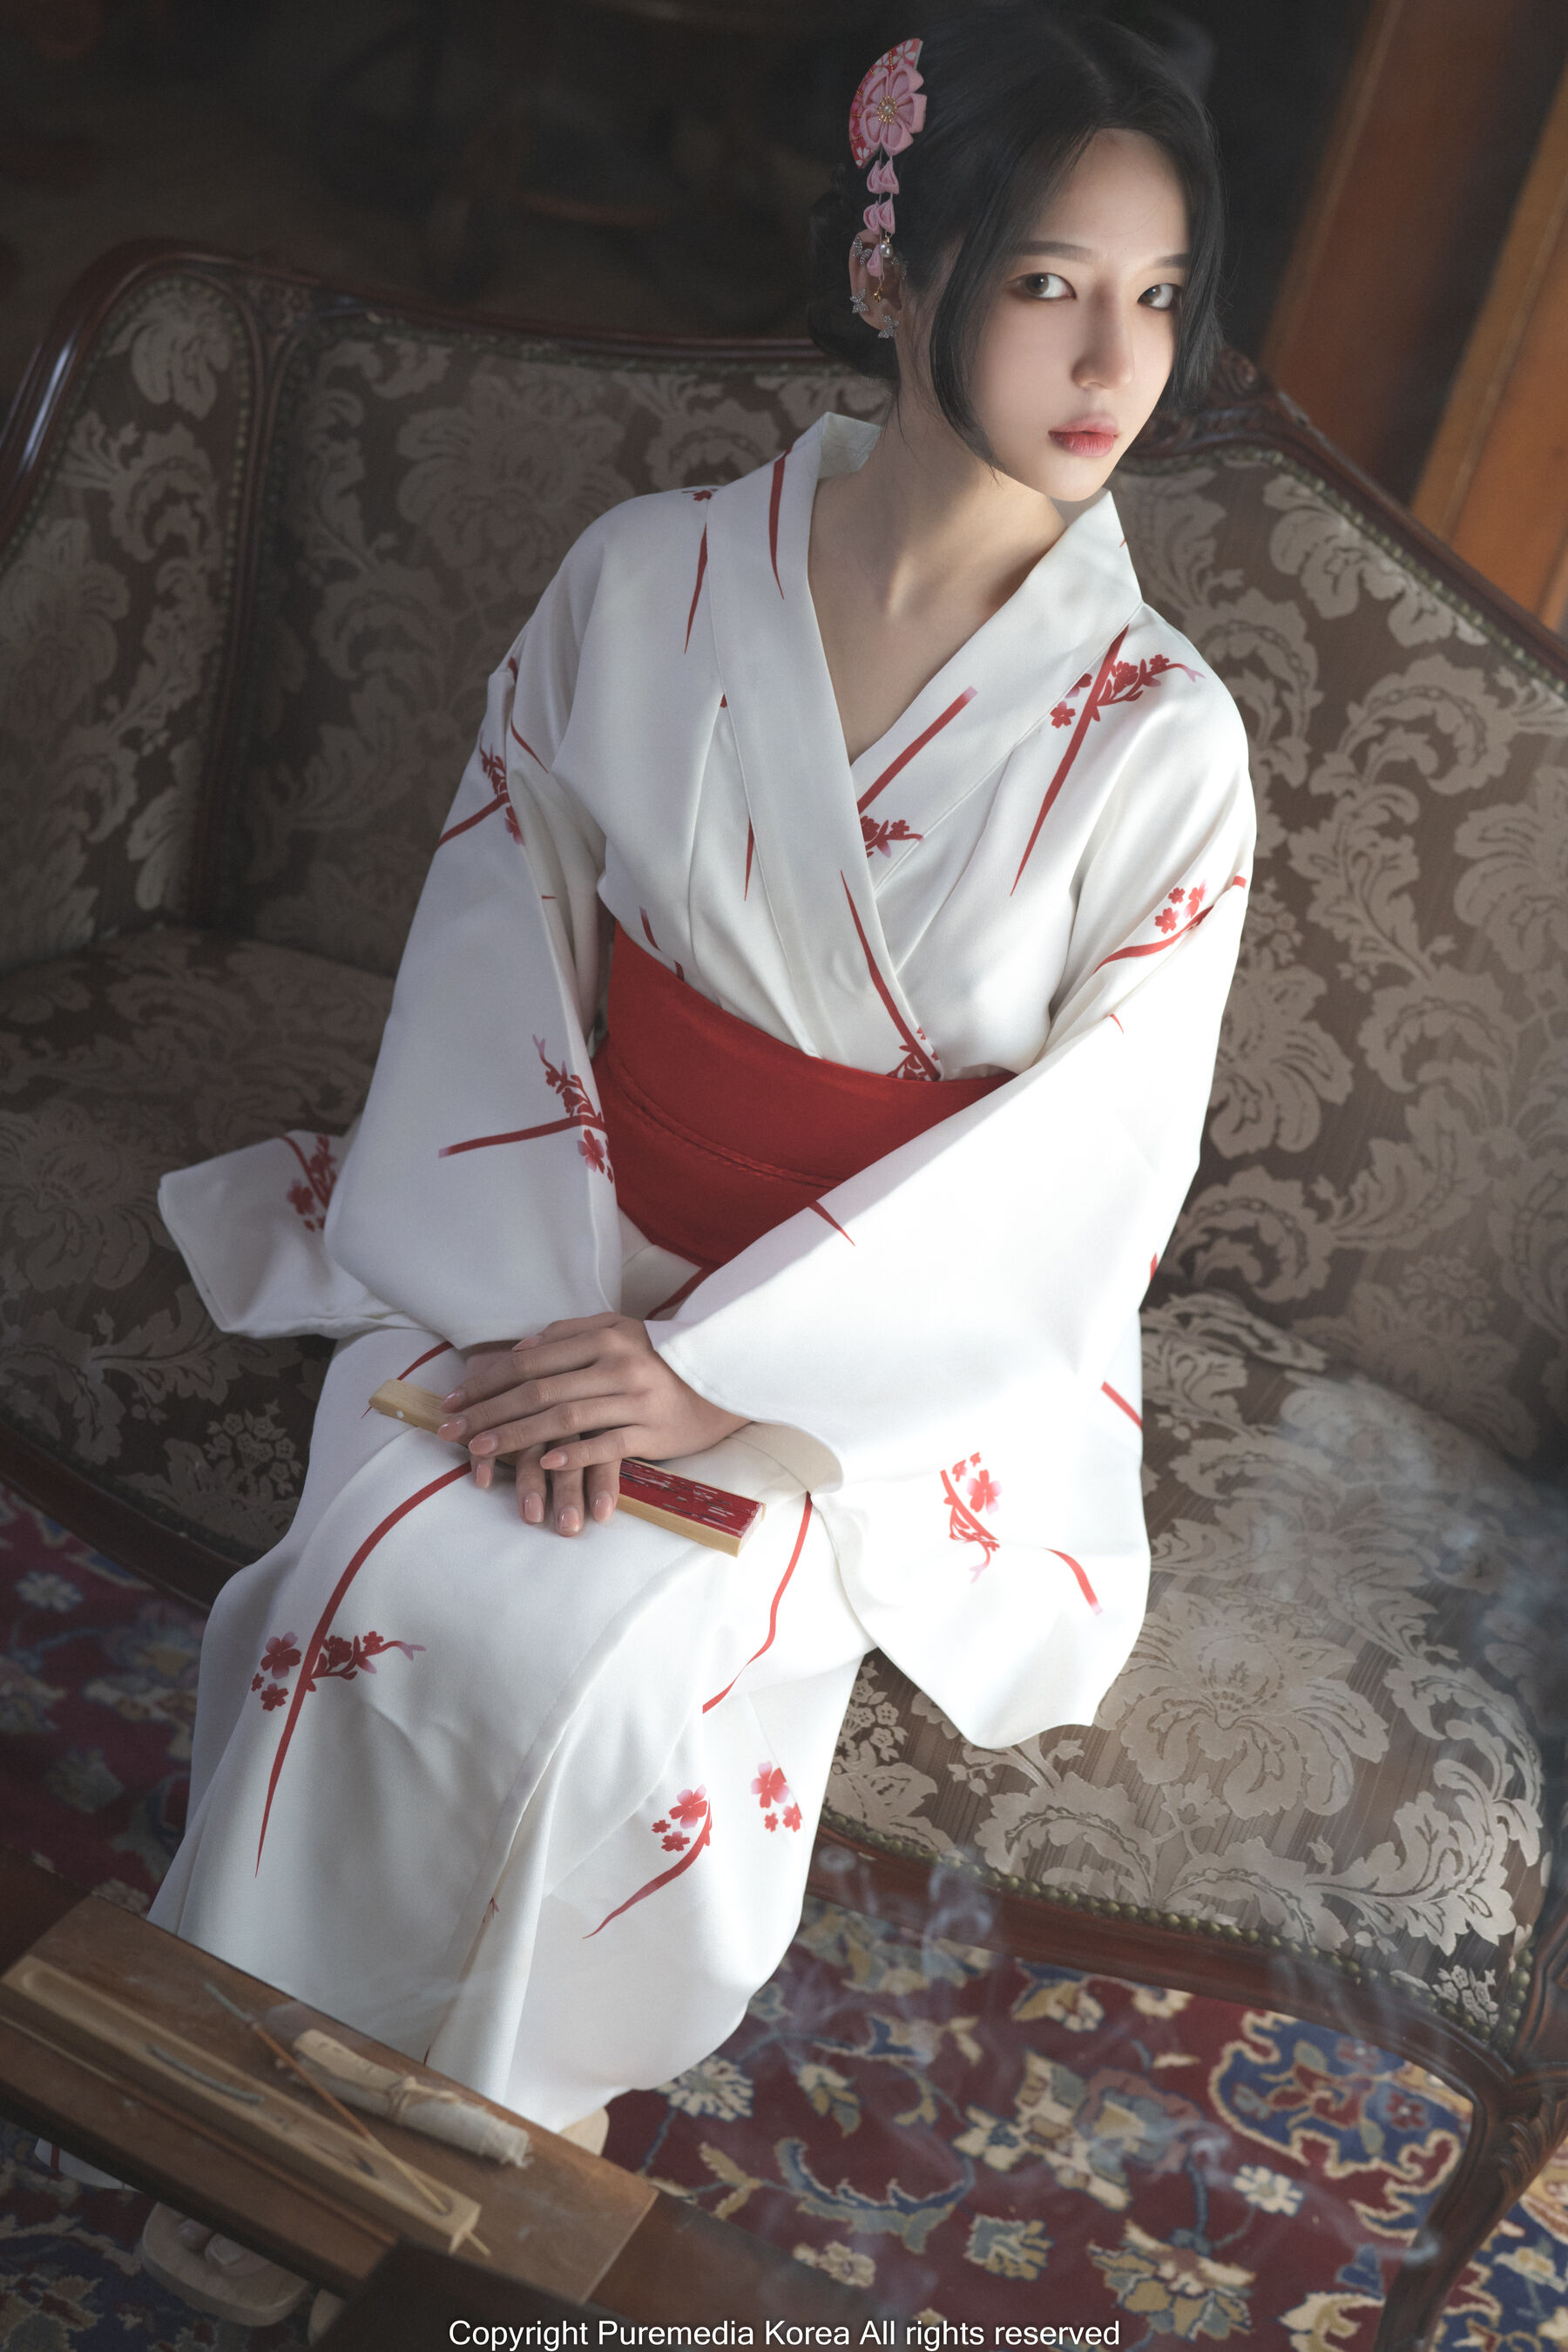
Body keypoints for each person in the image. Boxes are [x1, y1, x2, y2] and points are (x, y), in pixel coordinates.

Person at [122, 5, 1254, 2325]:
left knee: (599, 1677)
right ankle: (222, 2148)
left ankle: (470, 2192)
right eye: (1047, 281)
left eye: (1156, 297)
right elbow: (504, 935)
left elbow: (1088, 1163)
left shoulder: (1161, 745)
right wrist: (556, 1313)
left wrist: (713, 1372)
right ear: (892, 269)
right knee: (378, 1572)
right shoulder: (654, 579)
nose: (1108, 360)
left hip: (862, 1365)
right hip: (550, 1238)